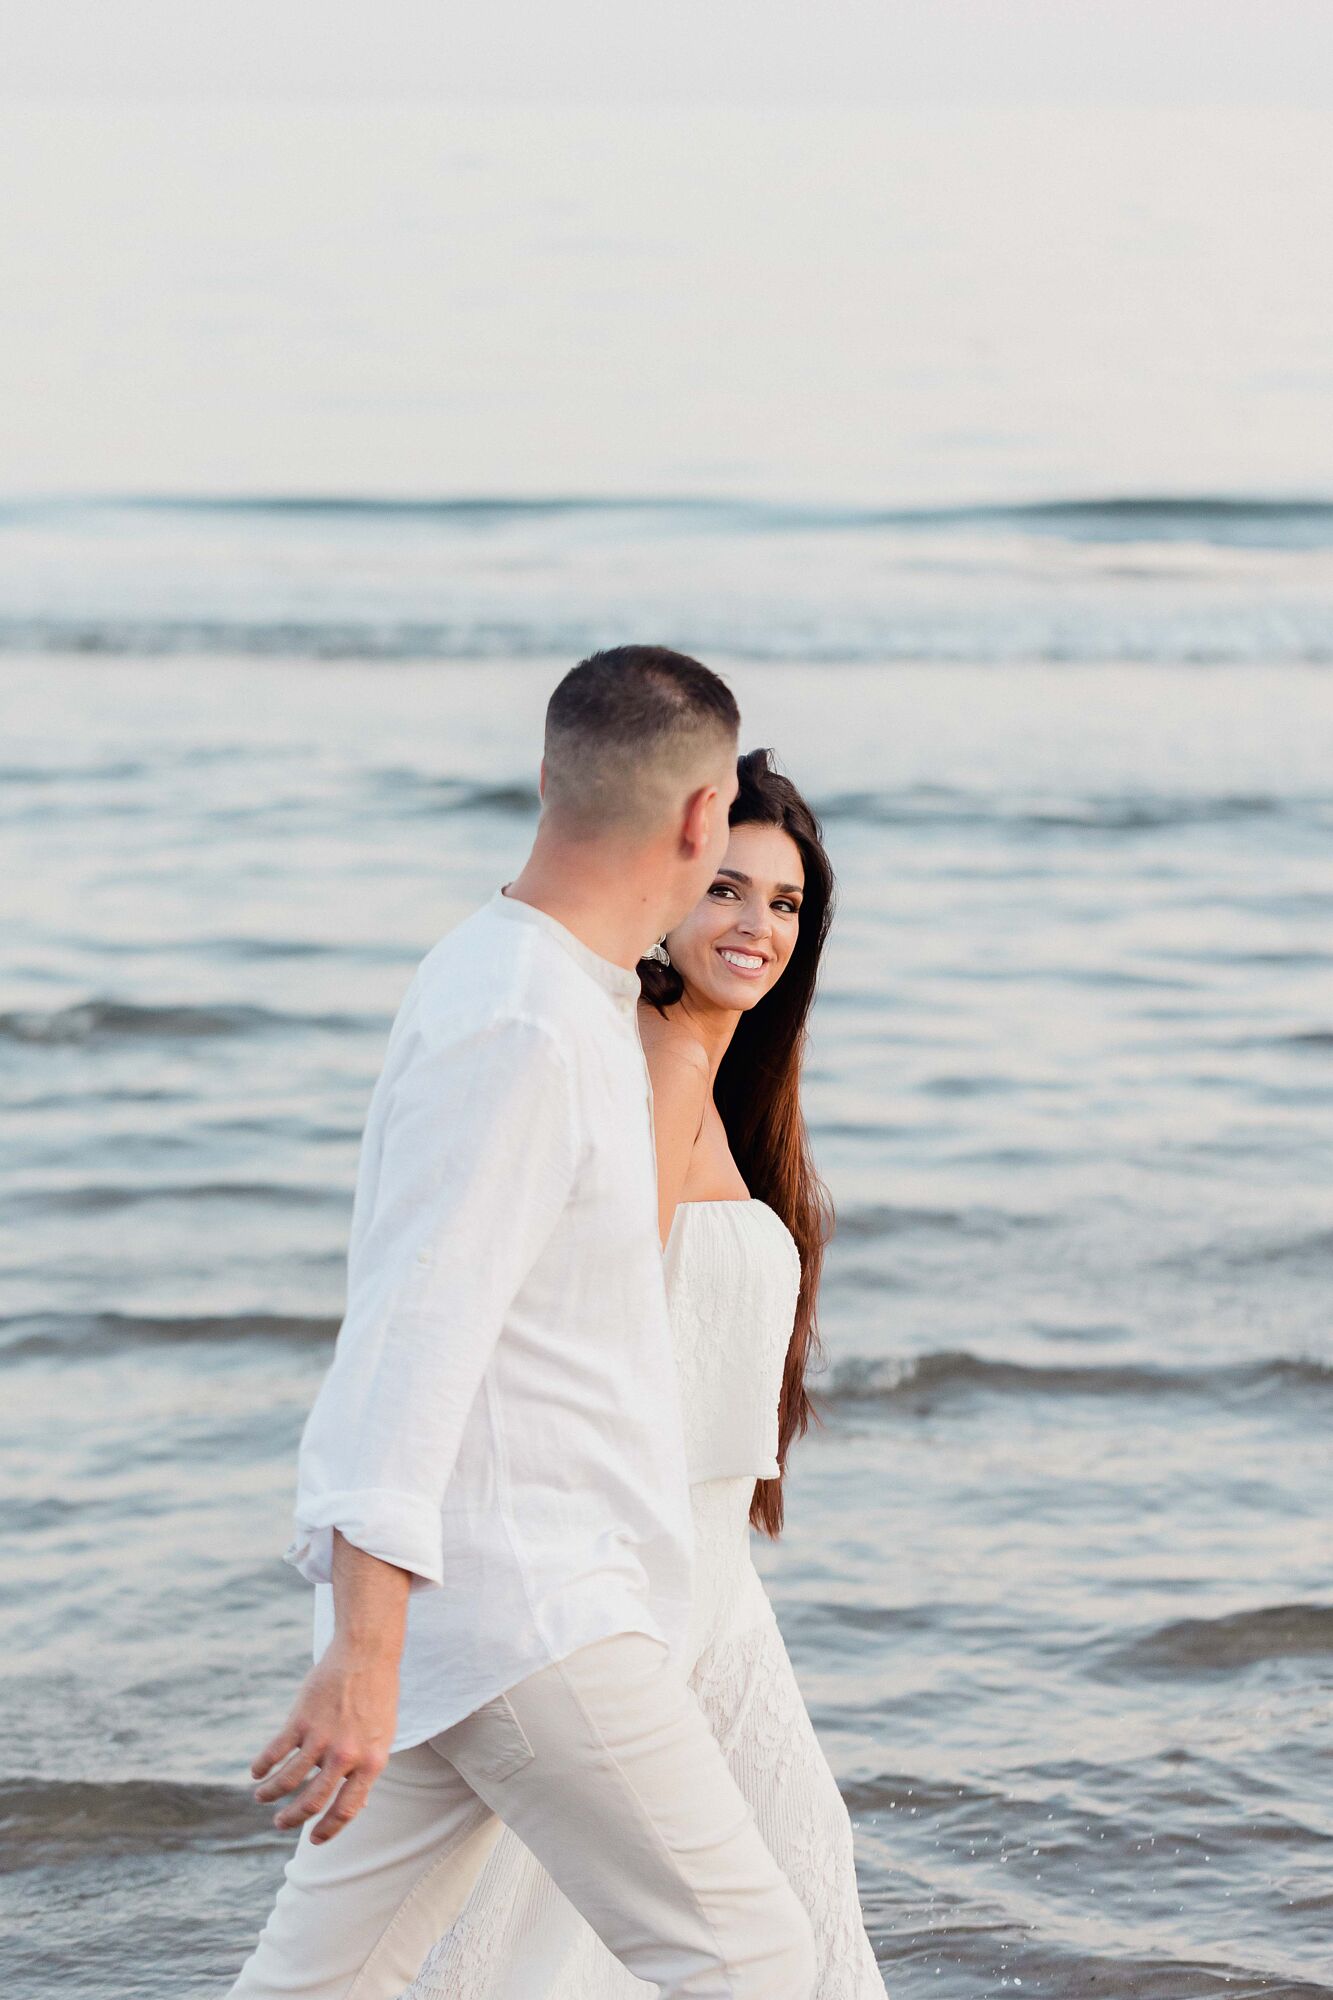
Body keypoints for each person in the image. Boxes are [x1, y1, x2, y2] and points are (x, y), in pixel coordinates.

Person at [226, 651, 819, 2000]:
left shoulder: (536, 985)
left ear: (545, 778)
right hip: (532, 1608)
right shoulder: (525, 1019)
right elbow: (408, 1340)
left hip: (484, 1611)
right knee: (757, 1961)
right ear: (696, 819)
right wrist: (360, 1655)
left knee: (320, 1981)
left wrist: (382, 1644)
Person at [407, 749, 884, 1996]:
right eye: (727, 887)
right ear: (667, 880)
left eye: (785, 904)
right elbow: (563, 1342)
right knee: (570, 1922)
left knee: (756, 1882)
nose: (756, 925)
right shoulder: (649, 1069)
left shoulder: (716, 1086)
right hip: (633, 1573)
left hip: (712, 1577)